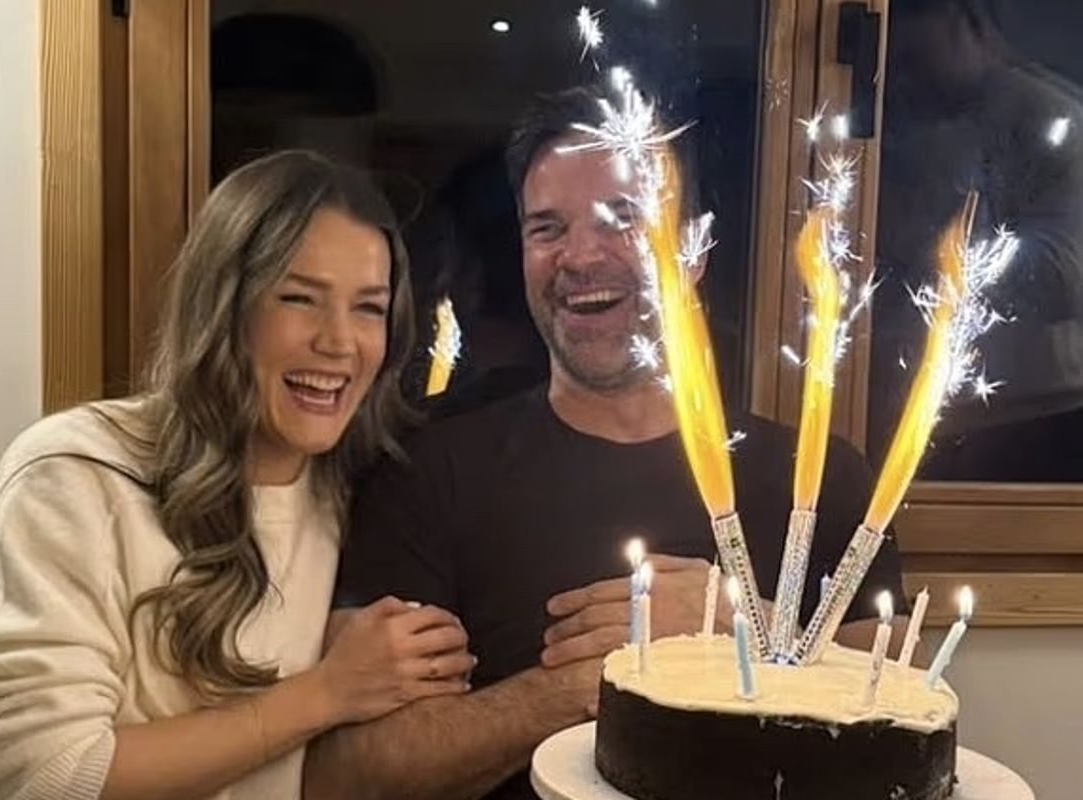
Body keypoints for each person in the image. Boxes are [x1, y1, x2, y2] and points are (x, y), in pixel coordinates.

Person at [304, 88, 910, 800]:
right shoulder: (429, 470)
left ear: (695, 248)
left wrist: (742, 627)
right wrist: (592, 681)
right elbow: (351, 774)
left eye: (624, 218)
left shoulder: (817, 477)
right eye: (546, 228)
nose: (580, 255)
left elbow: (902, 713)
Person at [0, 151, 474, 800]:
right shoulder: (75, 477)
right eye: (298, 299)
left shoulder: (356, 499)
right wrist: (325, 692)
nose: (339, 341)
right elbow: (50, 777)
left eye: (368, 308)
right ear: (223, 309)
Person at [873, 0, 1083, 480]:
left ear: (969, 24)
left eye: (913, 62)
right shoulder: (925, 124)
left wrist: (937, 248)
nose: (904, 82)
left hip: (1036, 417)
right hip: (945, 409)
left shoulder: (1051, 119)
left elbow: (1069, 277)